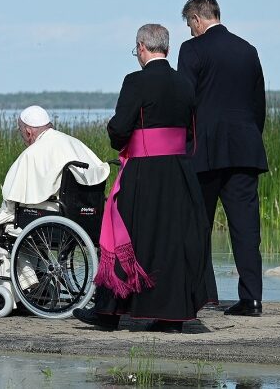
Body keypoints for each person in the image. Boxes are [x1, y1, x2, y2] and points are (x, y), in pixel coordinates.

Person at [73, 24, 214, 333]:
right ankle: (170, 316)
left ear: (141, 47)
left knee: (125, 236)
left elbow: (120, 128)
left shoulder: (135, 81)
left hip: (144, 172)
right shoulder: (184, 83)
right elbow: (192, 130)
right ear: (167, 48)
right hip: (179, 172)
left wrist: (117, 135)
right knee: (172, 241)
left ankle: (108, 313)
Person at [177, 0, 268, 317]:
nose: (190, 31)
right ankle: (252, 299)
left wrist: (185, 142)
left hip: (204, 152)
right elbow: (258, 105)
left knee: (196, 224)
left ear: (197, 19)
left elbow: (185, 100)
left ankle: (202, 296)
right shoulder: (247, 50)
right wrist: (249, 136)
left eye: (190, 24)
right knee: (246, 228)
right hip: (245, 149)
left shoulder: (192, 50)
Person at [0, 106, 110, 262]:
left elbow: (12, 200)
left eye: (21, 132)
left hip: (53, 218)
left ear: (28, 132)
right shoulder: (75, 143)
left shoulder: (33, 153)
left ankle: (14, 275)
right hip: (86, 217)